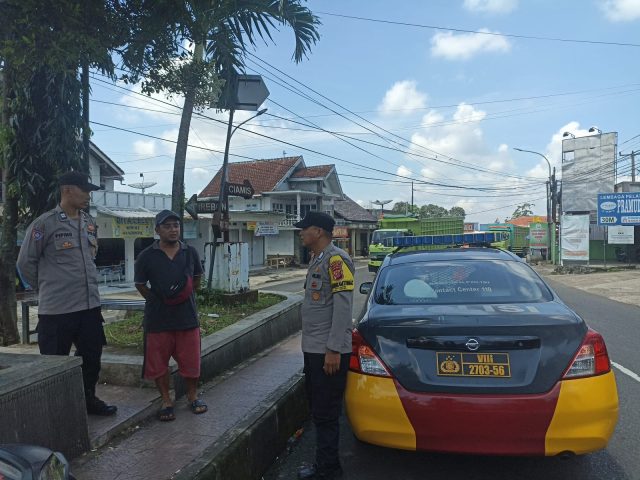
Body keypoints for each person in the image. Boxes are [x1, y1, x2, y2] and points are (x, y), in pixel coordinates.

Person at [17, 171, 117, 416]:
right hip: (57, 310)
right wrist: (47, 288)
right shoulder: (45, 224)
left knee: (92, 358)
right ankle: (57, 411)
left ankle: (87, 399)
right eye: (85, 190)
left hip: (89, 307)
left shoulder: (89, 222)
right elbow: (25, 263)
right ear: (68, 190)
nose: (88, 196)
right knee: (55, 362)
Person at [295, 211, 354, 480]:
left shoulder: (336, 260)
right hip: (315, 349)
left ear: (318, 231)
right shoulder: (317, 259)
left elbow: (343, 308)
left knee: (327, 413)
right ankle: (324, 464)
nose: (301, 233)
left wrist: (333, 349)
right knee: (319, 410)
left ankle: (328, 470)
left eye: (304, 228)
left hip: (327, 352)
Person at [134, 210, 207, 422]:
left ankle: (193, 396)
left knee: (191, 361)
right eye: (167, 226)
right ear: (157, 230)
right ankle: (166, 401)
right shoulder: (146, 256)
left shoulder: (190, 252)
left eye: (176, 225)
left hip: (187, 317)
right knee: (158, 363)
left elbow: (197, 279)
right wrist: (156, 300)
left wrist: (184, 297)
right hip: (158, 320)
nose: (173, 230)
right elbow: (140, 284)